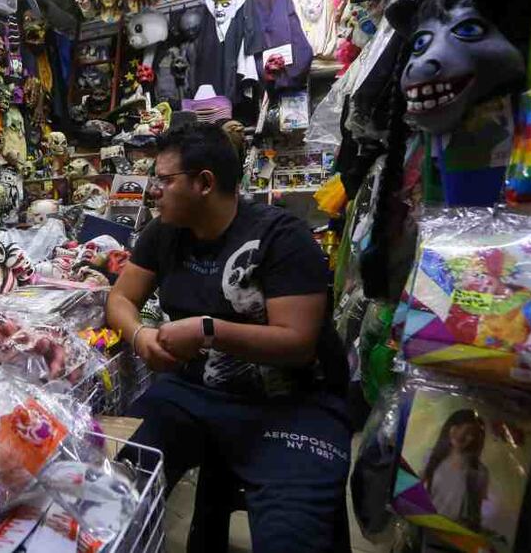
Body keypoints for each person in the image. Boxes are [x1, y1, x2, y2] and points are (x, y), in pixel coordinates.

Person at [106, 122, 351, 553]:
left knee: (292, 539)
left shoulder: (282, 237)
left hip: (293, 404)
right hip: (195, 394)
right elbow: (121, 298)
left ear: (204, 183)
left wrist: (207, 330)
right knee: (111, 486)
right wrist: (140, 335)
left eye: (164, 180)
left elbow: (298, 343)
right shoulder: (164, 233)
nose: (153, 191)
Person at [423, 409, 488, 532]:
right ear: (449, 427)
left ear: (475, 438)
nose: (460, 435)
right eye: (457, 427)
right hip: (426, 525)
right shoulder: (431, 457)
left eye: (469, 432)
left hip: (454, 533)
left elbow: (475, 512)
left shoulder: (480, 472)